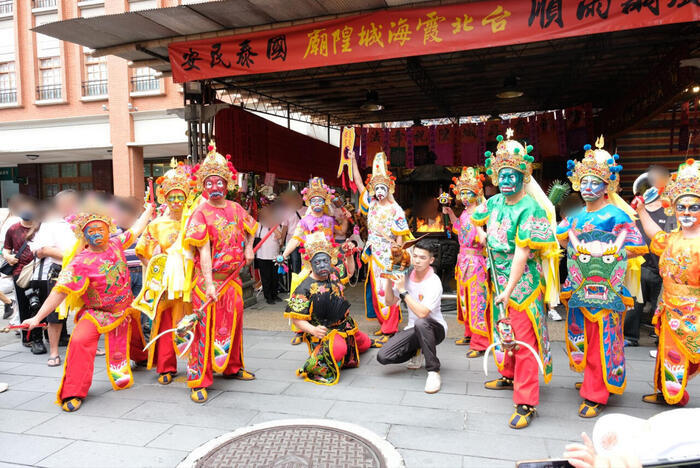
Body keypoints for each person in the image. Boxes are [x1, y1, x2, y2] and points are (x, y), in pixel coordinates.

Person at [23, 198, 154, 412]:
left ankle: (142, 358)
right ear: (83, 235)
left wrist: (149, 209)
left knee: (136, 341)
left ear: (107, 228)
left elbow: (138, 229)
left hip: (125, 309)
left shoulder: (117, 243)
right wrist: (37, 318)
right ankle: (73, 391)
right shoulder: (80, 262)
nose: (96, 233)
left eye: (100, 228)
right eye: (90, 230)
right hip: (97, 313)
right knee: (80, 340)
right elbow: (59, 291)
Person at [471, 129, 559, 429]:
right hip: (498, 280)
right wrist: (484, 236)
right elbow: (477, 221)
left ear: (524, 176)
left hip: (521, 285)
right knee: (504, 332)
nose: (507, 181)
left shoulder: (531, 208)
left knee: (523, 340)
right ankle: (508, 376)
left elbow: (522, 254)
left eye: (513, 176)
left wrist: (508, 289)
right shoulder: (494, 203)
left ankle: (526, 401)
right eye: (502, 176)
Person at [557, 138, 647, 419]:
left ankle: (596, 392)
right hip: (579, 288)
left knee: (602, 339)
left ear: (607, 186)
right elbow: (560, 240)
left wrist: (603, 250)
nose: (588, 188)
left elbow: (635, 245)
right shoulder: (575, 215)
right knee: (582, 336)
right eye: (584, 182)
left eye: (594, 182)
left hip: (606, 289)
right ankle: (592, 379)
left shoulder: (616, 214)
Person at [181, 141, 257, 403]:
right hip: (207, 282)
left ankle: (233, 366)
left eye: (219, 183)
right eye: (209, 183)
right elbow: (202, 251)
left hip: (233, 279)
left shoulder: (235, 208)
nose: (215, 188)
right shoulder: (200, 213)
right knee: (204, 328)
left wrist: (249, 249)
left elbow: (251, 228)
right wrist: (210, 284)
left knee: (234, 324)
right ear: (202, 186)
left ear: (228, 184)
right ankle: (198, 379)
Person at [635, 159, 700, 406]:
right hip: (669, 306)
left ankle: (674, 396)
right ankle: (667, 392)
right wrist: (642, 211)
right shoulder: (673, 238)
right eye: (681, 207)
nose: (686, 213)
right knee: (666, 352)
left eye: (693, 207)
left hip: (693, 310)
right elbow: (656, 236)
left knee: (679, 355)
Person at [285, 229, 372, 385]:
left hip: (346, 325)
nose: (323, 265)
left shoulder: (332, 272)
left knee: (365, 344)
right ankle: (318, 360)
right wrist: (313, 330)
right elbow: (296, 318)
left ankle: (359, 343)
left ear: (330, 259)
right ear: (309, 264)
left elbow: (350, 272)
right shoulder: (303, 288)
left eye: (325, 261)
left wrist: (349, 255)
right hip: (325, 331)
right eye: (317, 262)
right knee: (338, 350)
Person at [134, 160, 192, 385]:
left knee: (190, 320)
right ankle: (166, 366)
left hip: (189, 280)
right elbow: (142, 252)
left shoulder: (193, 221)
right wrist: (157, 269)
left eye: (181, 197)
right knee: (167, 323)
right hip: (167, 283)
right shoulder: (156, 225)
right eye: (172, 197)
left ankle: (196, 363)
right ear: (165, 199)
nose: (177, 202)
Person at [349, 150, 411, 342]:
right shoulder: (372, 204)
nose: (379, 191)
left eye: (383, 187)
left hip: (388, 253)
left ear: (389, 188)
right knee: (377, 289)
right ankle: (383, 324)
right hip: (374, 252)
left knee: (389, 289)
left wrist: (398, 257)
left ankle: (390, 329)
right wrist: (352, 161)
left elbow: (401, 235)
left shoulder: (396, 209)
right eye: (377, 188)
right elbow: (359, 185)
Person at [277, 177, 348, 345]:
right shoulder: (305, 221)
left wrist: (345, 217)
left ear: (324, 202)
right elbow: (295, 239)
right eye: (314, 200)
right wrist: (284, 254)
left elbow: (341, 231)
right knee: (300, 289)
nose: (317, 203)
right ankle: (299, 329)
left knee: (335, 289)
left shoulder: (330, 220)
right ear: (309, 202)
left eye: (320, 200)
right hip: (310, 263)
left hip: (329, 262)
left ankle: (334, 321)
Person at [377, 239, 446, 394]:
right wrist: (389, 280)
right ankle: (417, 349)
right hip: (413, 329)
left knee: (421, 323)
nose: (417, 261)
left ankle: (433, 372)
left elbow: (422, 313)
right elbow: (389, 301)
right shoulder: (405, 275)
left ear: (431, 260)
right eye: (415, 256)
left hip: (435, 329)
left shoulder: (434, 282)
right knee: (383, 356)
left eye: (422, 258)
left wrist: (403, 291)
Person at [624, 166, 675, 346]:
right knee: (634, 303)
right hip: (639, 264)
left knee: (660, 305)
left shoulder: (672, 209)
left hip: (661, 266)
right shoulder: (637, 207)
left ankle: (661, 338)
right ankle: (630, 336)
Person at [442, 167, 489, 358]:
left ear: (476, 192)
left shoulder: (481, 212)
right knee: (465, 300)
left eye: (468, 192)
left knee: (477, 300)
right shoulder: (465, 212)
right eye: (461, 193)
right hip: (463, 261)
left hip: (476, 261)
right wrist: (451, 213)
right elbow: (460, 230)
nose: (464, 196)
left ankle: (481, 342)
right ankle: (470, 334)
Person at [29, 190, 78, 367]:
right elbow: (42, 250)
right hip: (59, 270)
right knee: (55, 314)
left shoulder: (81, 221)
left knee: (85, 309)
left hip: (82, 269)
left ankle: (88, 344)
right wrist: (71, 256)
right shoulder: (50, 223)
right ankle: (54, 351)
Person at [3, 197, 44, 354]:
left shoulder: (41, 227)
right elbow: (6, 249)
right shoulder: (13, 229)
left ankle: (42, 334)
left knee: (39, 304)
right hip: (20, 273)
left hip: (40, 271)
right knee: (25, 306)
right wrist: (7, 257)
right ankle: (28, 338)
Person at [255, 205, 282, 305]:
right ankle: (268, 296)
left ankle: (275, 294)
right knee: (266, 277)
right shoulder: (258, 226)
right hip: (262, 255)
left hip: (274, 255)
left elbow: (279, 236)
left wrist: (272, 225)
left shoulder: (276, 225)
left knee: (275, 276)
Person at [279, 190, 306, 274]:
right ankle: (296, 282)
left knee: (306, 263)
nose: (297, 200)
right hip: (292, 241)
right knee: (295, 263)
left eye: (299, 198)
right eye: (295, 199)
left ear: (302, 199)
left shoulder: (308, 210)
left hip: (305, 242)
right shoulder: (287, 212)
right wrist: (281, 243)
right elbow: (284, 228)